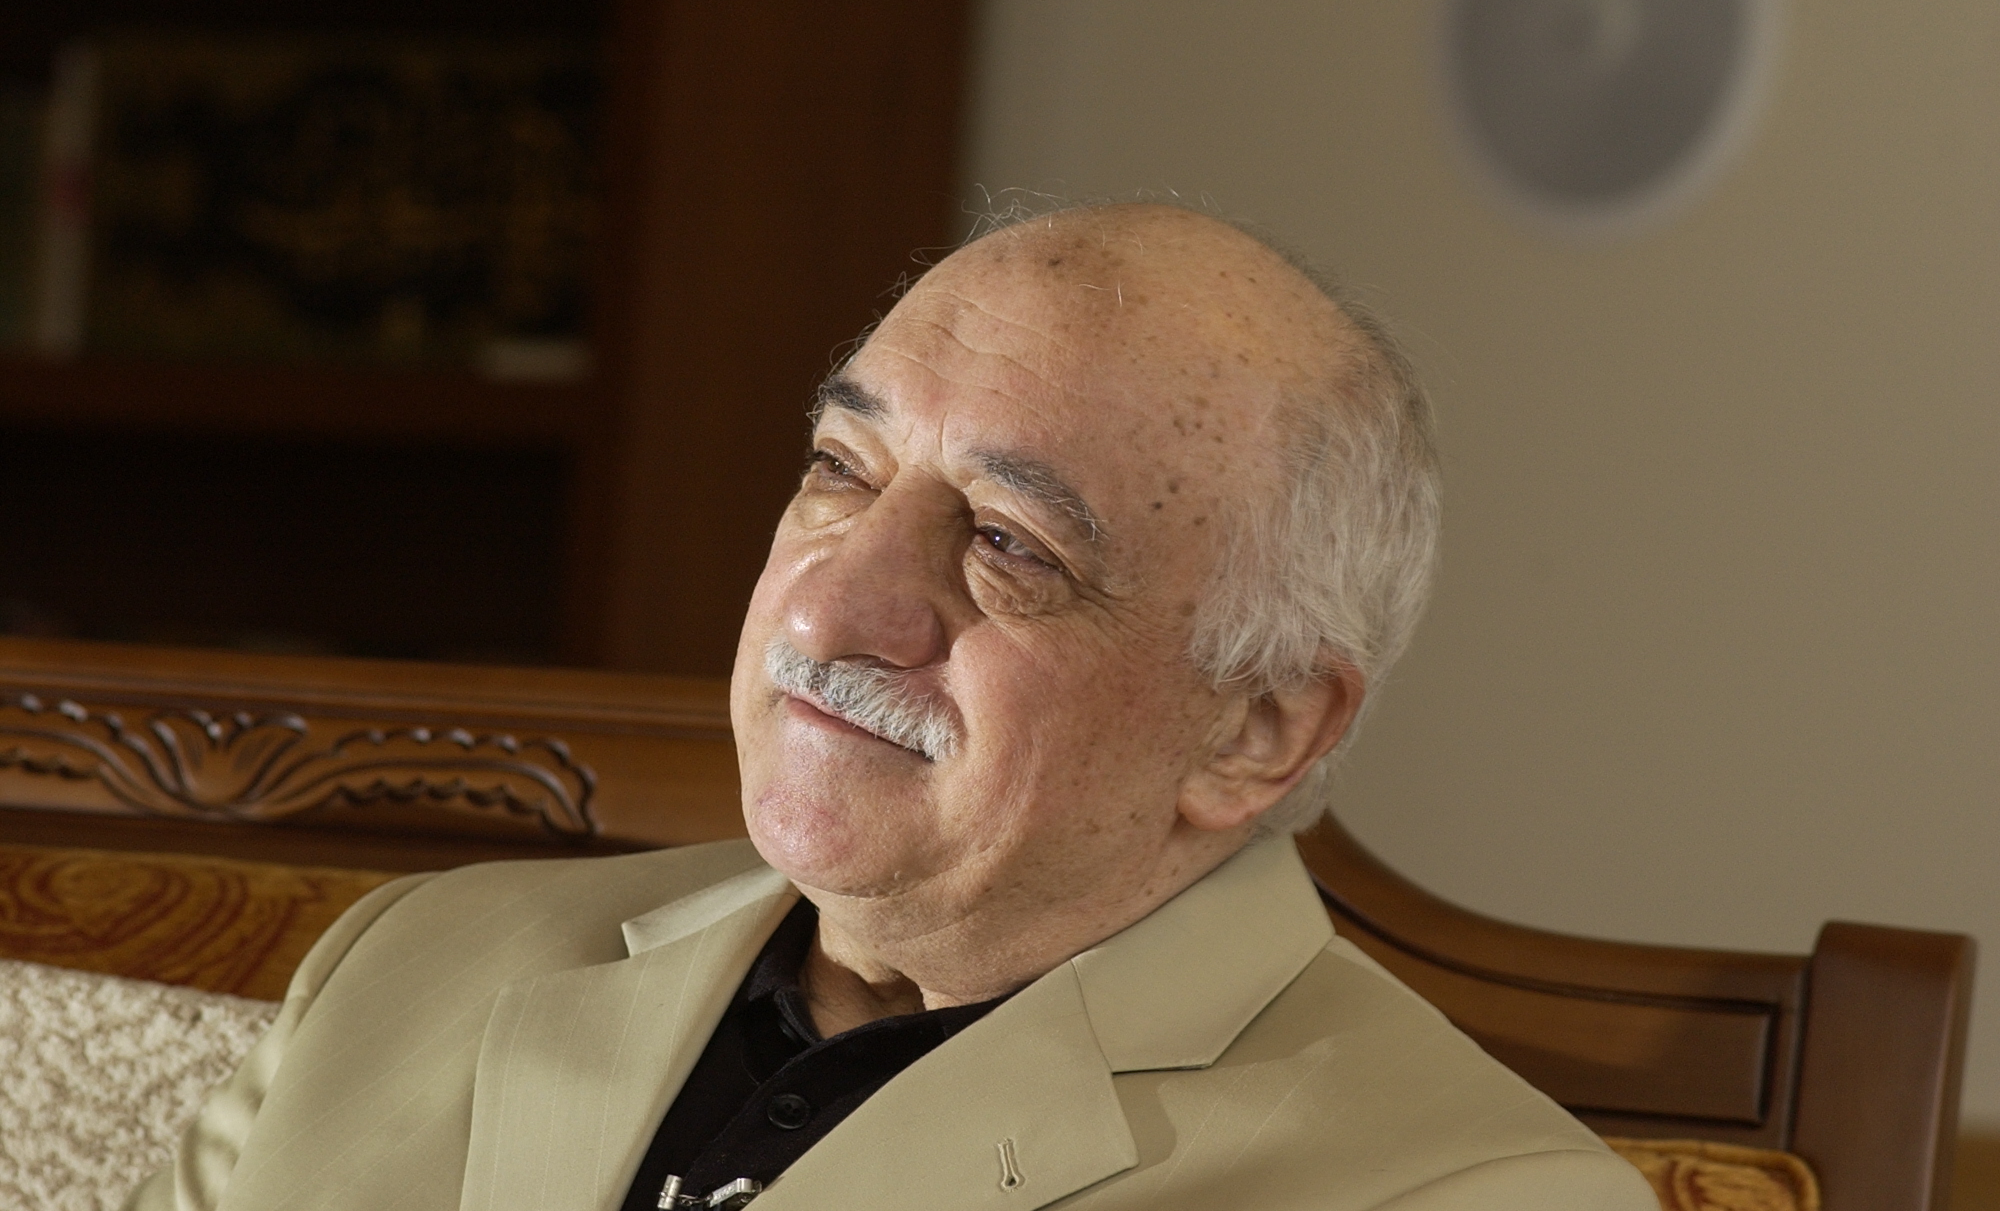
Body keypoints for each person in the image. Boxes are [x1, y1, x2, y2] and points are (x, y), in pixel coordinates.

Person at [128, 204, 1654, 1211]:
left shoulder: (1465, 1193)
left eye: (1009, 544)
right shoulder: (417, 963)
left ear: (1256, 729)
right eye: (839, 469)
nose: (828, 607)